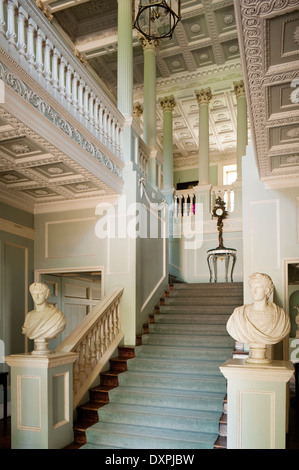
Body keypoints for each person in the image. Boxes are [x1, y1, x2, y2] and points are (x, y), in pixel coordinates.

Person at [226, 273, 291, 362]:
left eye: (258, 288)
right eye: (252, 288)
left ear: (267, 290)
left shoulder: (280, 316)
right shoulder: (239, 314)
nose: (254, 291)